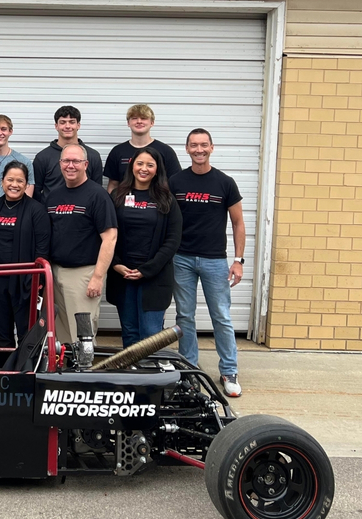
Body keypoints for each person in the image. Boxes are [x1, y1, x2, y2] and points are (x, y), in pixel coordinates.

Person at [170, 128, 246, 397]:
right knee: (185, 316)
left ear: (212, 148)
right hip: (182, 259)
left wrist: (237, 261)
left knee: (222, 317)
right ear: (187, 149)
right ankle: (189, 372)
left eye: (204, 145)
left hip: (215, 260)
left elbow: (238, 223)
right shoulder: (175, 182)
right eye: (194, 145)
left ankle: (229, 371)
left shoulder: (225, 182)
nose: (199, 149)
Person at [106, 147, 181, 347]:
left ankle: (151, 377)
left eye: (150, 165)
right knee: (130, 332)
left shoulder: (167, 199)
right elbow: (105, 234)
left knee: (150, 334)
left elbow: (173, 240)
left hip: (154, 277)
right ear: (132, 166)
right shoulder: (116, 196)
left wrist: (147, 270)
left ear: (157, 169)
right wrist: (115, 264)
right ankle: (132, 376)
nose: (144, 169)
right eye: (140, 163)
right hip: (123, 275)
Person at [47, 144, 117, 344]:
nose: (71, 165)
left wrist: (97, 276)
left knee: (82, 333)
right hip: (55, 271)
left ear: (85, 164)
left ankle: (85, 373)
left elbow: (110, 238)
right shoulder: (53, 196)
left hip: (83, 274)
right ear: (60, 164)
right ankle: (67, 373)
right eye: (66, 161)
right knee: (61, 332)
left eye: (76, 161)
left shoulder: (98, 196)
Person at [0, 161, 50, 347]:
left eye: (20, 181)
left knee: (26, 333)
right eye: (10, 179)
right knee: (1, 333)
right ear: (2, 182)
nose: (14, 184)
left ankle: (25, 371)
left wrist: (39, 281)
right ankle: (6, 371)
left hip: (25, 283)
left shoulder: (36, 210)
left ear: (27, 184)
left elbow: (42, 249)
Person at [33, 105, 103, 204]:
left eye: (72, 122)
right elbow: (36, 192)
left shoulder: (92, 156)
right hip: (51, 215)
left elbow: (97, 190)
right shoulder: (43, 157)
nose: (67, 126)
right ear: (56, 126)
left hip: (84, 215)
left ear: (78, 125)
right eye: (62, 122)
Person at [104, 104, 182, 193]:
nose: (139, 121)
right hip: (124, 204)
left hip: (156, 204)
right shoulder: (117, 151)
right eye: (134, 118)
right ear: (128, 123)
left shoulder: (165, 151)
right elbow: (113, 184)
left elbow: (174, 183)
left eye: (144, 118)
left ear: (152, 123)